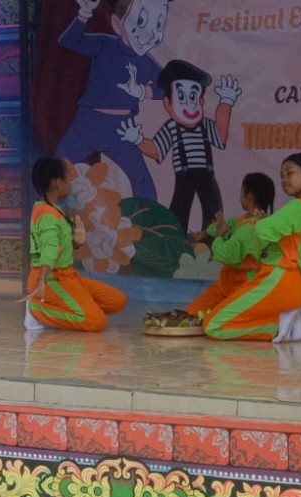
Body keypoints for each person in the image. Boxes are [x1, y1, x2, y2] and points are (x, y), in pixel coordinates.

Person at [56, 0, 172, 201]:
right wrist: (84, 14)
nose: (150, 33)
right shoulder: (105, 44)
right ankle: (47, 213)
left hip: (122, 128)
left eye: (158, 25)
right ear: (118, 24)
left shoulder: (146, 62)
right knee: (58, 167)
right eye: (141, 21)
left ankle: (150, 220)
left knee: (141, 179)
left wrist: (143, 91)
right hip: (88, 121)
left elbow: (167, 87)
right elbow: (70, 41)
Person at [203, 153, 301, 342]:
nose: (284, 180)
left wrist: (261, 224)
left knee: (213, 325)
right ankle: (288, 321)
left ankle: (278, 325)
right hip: (300, 288)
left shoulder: (297, 207)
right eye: (282, 175)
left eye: (290, 173)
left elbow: (262, 232)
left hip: (279, 281)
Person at [118, 59, 241, 232]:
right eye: (181, 97)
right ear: (168, 103)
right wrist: (138, 140)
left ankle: (212, 241)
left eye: (193, 97)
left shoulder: (205, 125)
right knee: (179, 210)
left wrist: (226, 103)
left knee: (213, 209)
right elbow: (157, 150)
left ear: (201, 101)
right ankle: (176, 239)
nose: (189, 104)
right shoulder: (171, 127)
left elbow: (220, 137)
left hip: (206, 174)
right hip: (183, 175)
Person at [21, 156, 127, 332]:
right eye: (68, 179)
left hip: (67, 275)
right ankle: (36, 310)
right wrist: (41, 281)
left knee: (116, 301)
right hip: (51, 278)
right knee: (96, 322)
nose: (71, 184)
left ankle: (72, 308)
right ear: (57, 183)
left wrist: (76, 243)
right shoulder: (48, 215)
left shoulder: (50, 209)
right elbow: (49, 249)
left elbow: (57, 246)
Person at [185, 172, 275, 318]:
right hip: (228, 283)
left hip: (244, 287)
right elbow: (229, 225)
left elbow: (226, 254)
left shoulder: (251, 228)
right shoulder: (247, 220)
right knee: (191, 313)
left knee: (212, 320)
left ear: (249, 196)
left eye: (242, 191)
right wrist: (204, 234)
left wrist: (220, 235)